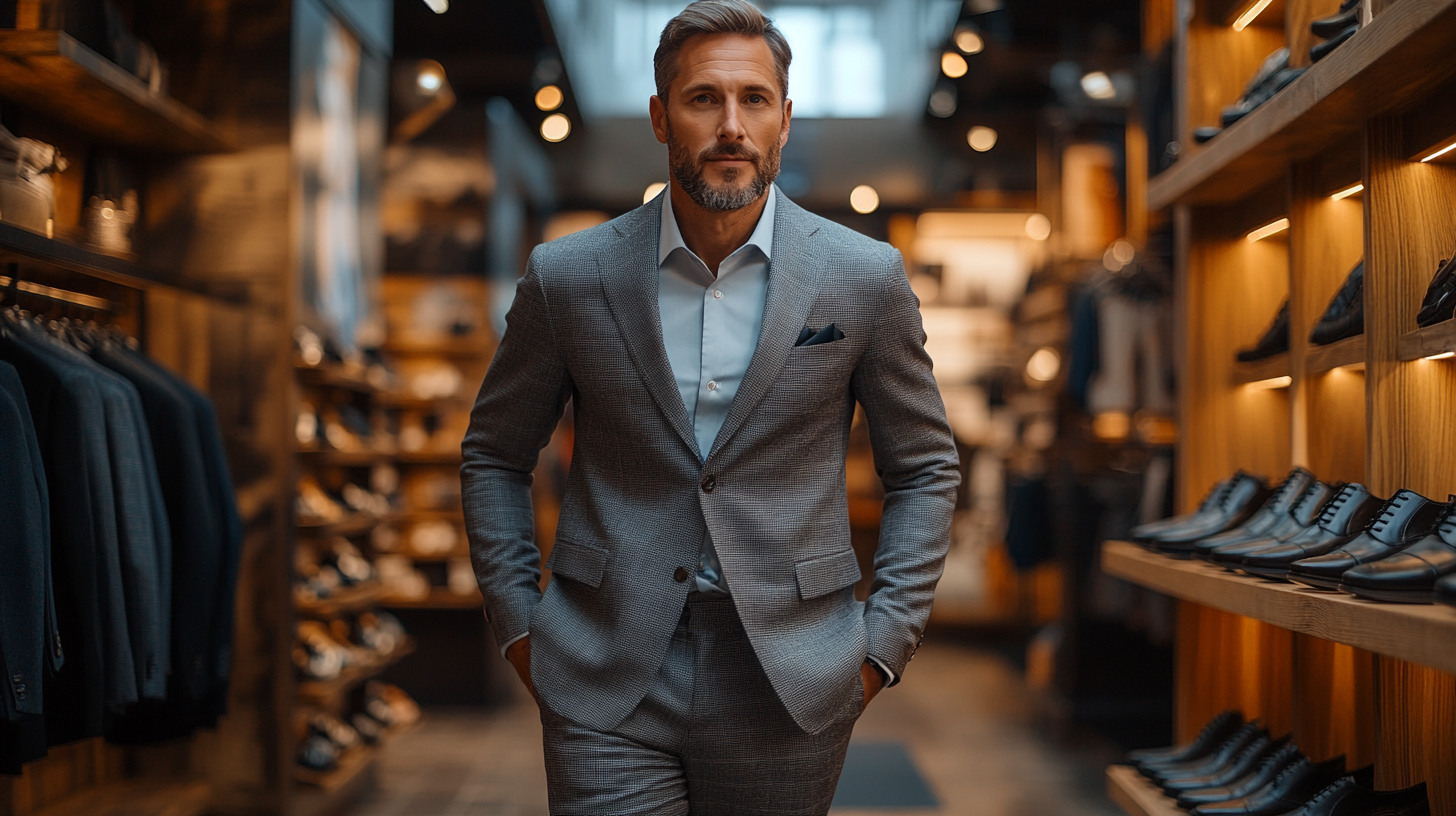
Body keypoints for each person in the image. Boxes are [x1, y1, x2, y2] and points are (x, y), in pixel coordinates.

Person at [460, 1, 960, 812]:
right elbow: (494, 453)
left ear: (785, 120)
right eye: (704, 99)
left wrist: (882, 646)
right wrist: (520, 627)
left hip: (791, 676)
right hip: (603, 667)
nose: (732, 125)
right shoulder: (568, 276)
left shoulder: (864, 277)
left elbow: (926, 467)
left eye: (754, 99)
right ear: (662, 116)